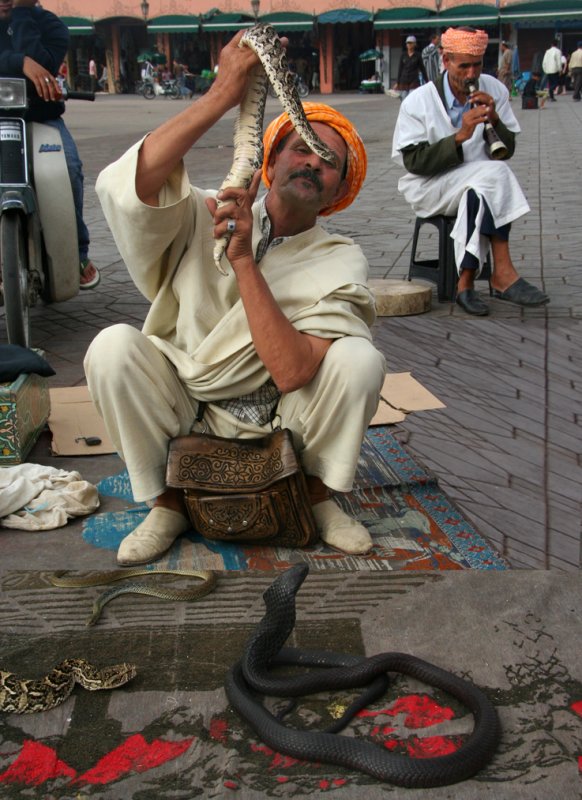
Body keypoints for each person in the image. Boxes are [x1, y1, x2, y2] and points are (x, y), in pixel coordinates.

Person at [84, 30, 386, 566]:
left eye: (329, 161)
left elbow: (294, 373)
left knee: (359, 358)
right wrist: (224, 92)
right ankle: (168, 502)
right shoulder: (209, 209)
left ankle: (317, 498)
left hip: (281, 418)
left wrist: (244, 258)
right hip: (188, 400)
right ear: (269, 161)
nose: (313, 162)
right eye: (301, 147)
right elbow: (128, 187)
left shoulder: (341, 259)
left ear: (340, 191)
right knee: (112, 346)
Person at [392, 26, 549, 316]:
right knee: (495, 176)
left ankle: (464, 284)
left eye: (477, 65)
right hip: (429, 185)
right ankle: (502, 273)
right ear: (445, 59)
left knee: (481, 188)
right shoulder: (418, 101)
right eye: (463, 66)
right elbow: (413, 161)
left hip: (476, 182)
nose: (471, 74)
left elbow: (507, 149)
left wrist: (496, 122)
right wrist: (460, 136)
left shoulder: (494, 90)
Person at [0, 0, 100, 289]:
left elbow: (45, 66)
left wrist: (21, 15)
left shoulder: (50, 24)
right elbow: (28, 65)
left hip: (42, 119)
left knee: (69, 168)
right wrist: (19, 62)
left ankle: (77, 251)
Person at [394, 35, 427, 100]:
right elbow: (400, 69)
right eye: (408, 43)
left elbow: (422, 69)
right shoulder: (403, 55)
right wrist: (397, 82)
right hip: (404, 81)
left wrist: (427, 81)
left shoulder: (417, 55)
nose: (409, 45)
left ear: (414, 44)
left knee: (412, 99)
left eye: (410, 43)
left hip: (414, 81)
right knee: (404, 100)